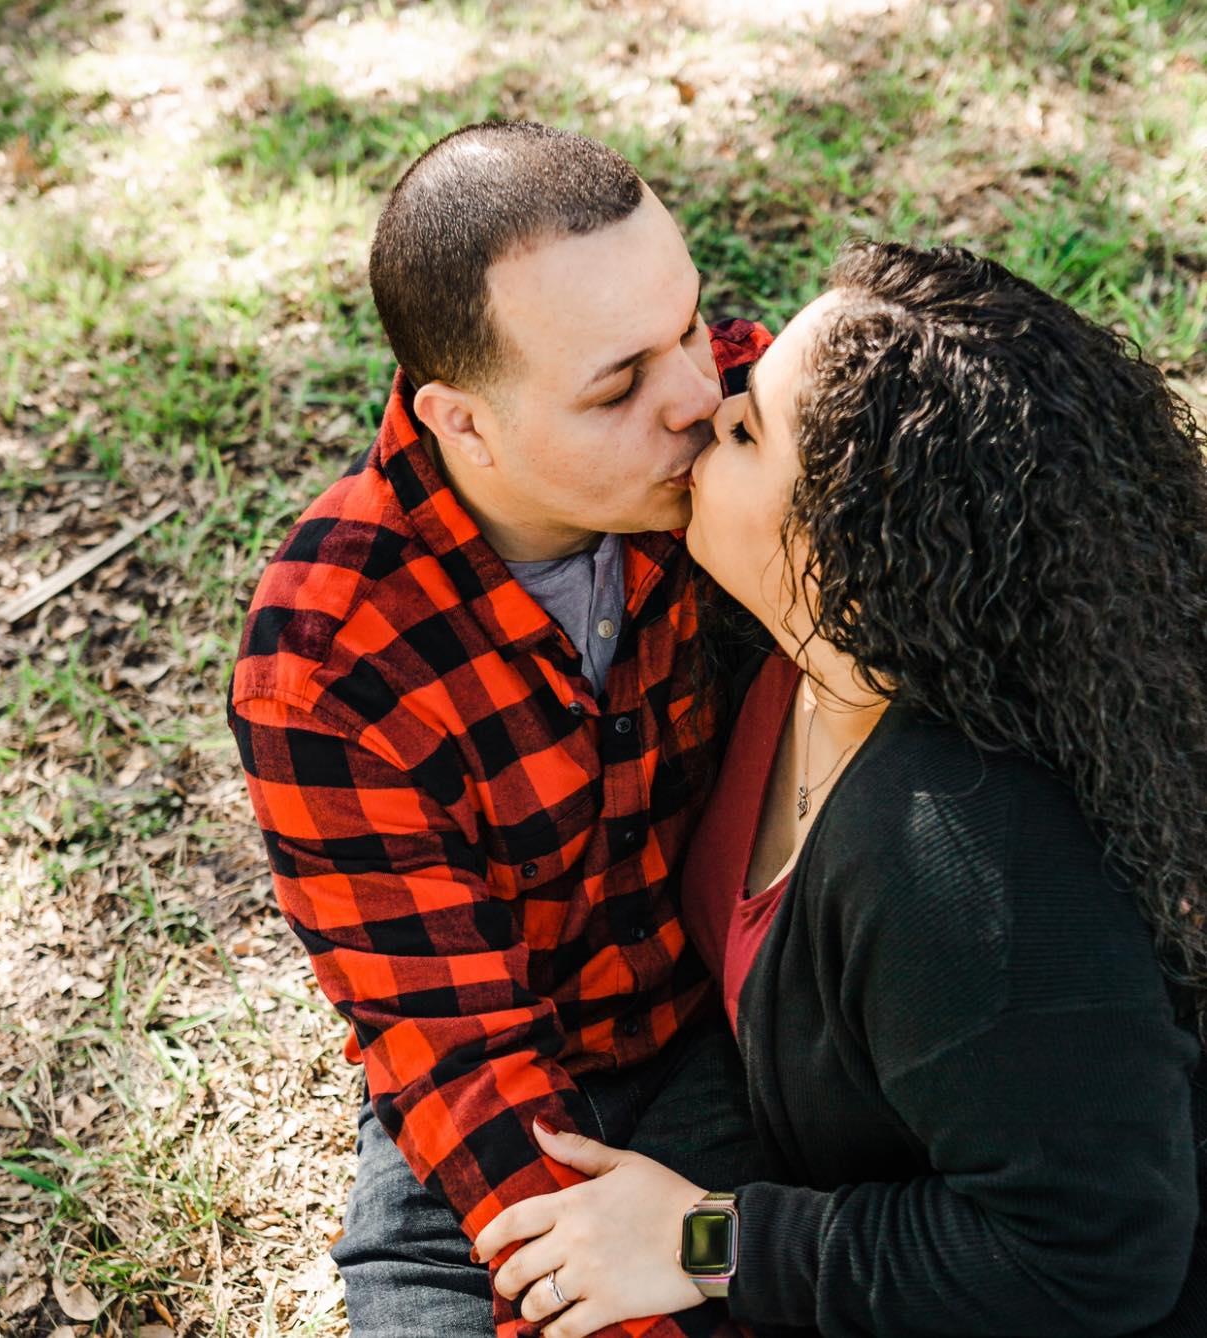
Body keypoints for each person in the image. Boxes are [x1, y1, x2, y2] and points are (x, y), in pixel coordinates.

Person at [475, 240, 1207, 1338]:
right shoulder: (792, 657)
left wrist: (705, 1242)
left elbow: (1090, 1260)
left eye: (751, 430)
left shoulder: (960, 867)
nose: (710, 408)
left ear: (850, 538)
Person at [228, 120, 774, 1337]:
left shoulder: (750, 426)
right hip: (482, 1093)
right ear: (461, 421)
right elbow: (455, 1057)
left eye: (688, 321)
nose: (696, 395)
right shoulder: (327, 663)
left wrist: (694, 1253)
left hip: (733, 1037)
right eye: (618, 384)